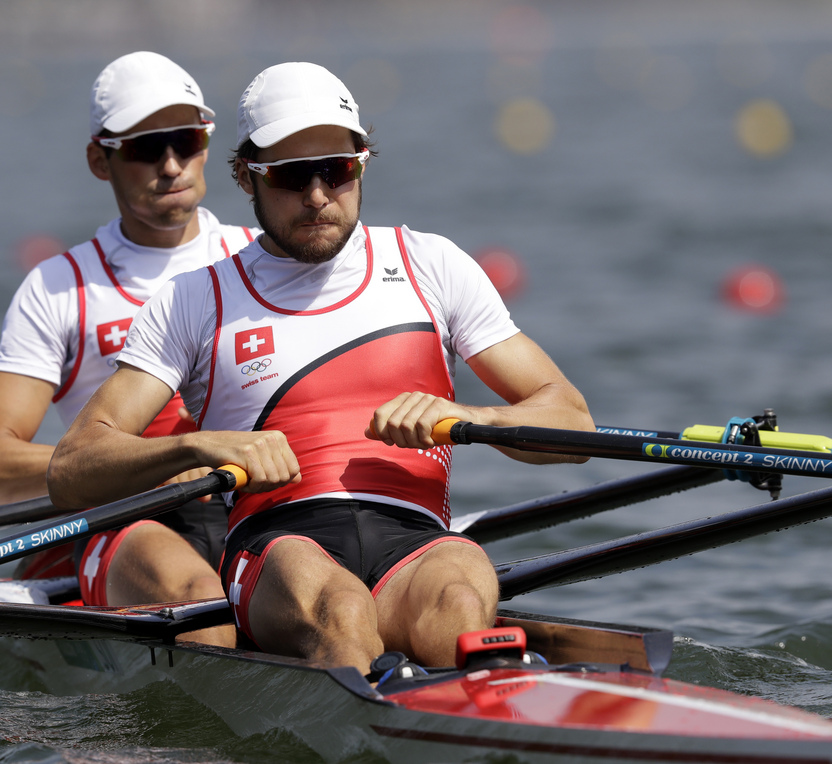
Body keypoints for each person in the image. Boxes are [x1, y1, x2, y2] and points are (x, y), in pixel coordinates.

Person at [46, 62, 594, 675]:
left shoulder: (431, 265)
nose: (315, 196)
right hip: (280, 542)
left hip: (414, 535)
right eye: (289, 175)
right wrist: (199, 447)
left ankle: (473, 706)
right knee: (341, 611)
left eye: (334, 171)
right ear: (244, 177)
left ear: (362, 162)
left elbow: (573, 424)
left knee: (460, 602)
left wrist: (467, 415)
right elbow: (73, 469)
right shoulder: (195, 300)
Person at [0, 52, 257, 646]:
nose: (172, 164)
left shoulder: (262, 257)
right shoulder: (58, 287)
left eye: (187, 139)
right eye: (148, 148)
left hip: (258, 505)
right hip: (125, 520)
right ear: (101, 160)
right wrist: (151, 465)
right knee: (204, 605)